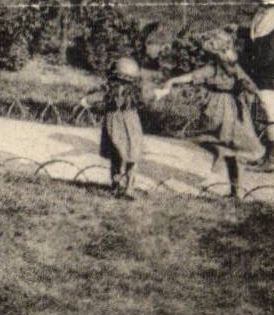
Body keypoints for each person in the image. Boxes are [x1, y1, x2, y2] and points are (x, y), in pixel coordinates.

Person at [154, 30, 262, 199]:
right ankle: (235, 190)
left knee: (215, 139)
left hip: (218, 107)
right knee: (230, 147)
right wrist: (253, 93)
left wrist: (172, 80)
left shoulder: (213, 67)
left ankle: (224, 177)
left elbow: (193, 76)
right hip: (233, 108)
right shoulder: (233, 66)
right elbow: (248, 83)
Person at [80, 55, 147, 198]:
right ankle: (128, 188)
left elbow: (89, 100)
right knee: (132, 157)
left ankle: (116, 186)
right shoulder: (135, 94)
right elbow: (150, 96)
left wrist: (87, 102)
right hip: (132, 125)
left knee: (117, 157)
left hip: (114, 125)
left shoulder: (108, 92)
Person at [241, 0, 274, 173]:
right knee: (267, 112)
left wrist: (251, 66)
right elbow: (255, 37)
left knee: (270, 112)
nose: (255, 1)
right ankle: (268, 155)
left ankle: (271, 159)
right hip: (264, 72)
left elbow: (269, 51)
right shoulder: (262, 14)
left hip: (271, 74)